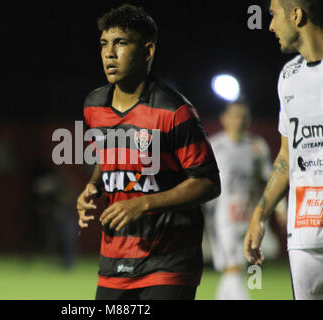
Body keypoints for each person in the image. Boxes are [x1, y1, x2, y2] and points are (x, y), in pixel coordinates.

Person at [76, 4, 220, 300]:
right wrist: (92, 186)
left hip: (169, 262)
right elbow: (107, 158)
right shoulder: (94, 106)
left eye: (121, 43)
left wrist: (143, 204)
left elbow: (208, 182)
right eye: (104, 43)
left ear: (148, 50)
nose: (109, 53)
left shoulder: (174, 111)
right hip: (115, 261)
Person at [244, 0, 323, 300]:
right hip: (304, 236)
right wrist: (258, 215)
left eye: (274, 16)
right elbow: (285, 158)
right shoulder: (289, 77)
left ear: (297, 15)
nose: (270, 25)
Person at [205, 101, 286, 300]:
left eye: (244, 116)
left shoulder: (257, 146)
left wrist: (280, 208)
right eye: (235, 115)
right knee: (233, 266)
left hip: (250, 216)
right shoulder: (215, 146)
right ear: (224, 119)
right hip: (222, 216)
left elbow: (271, 179)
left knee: (237, 269)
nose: (239, 120)